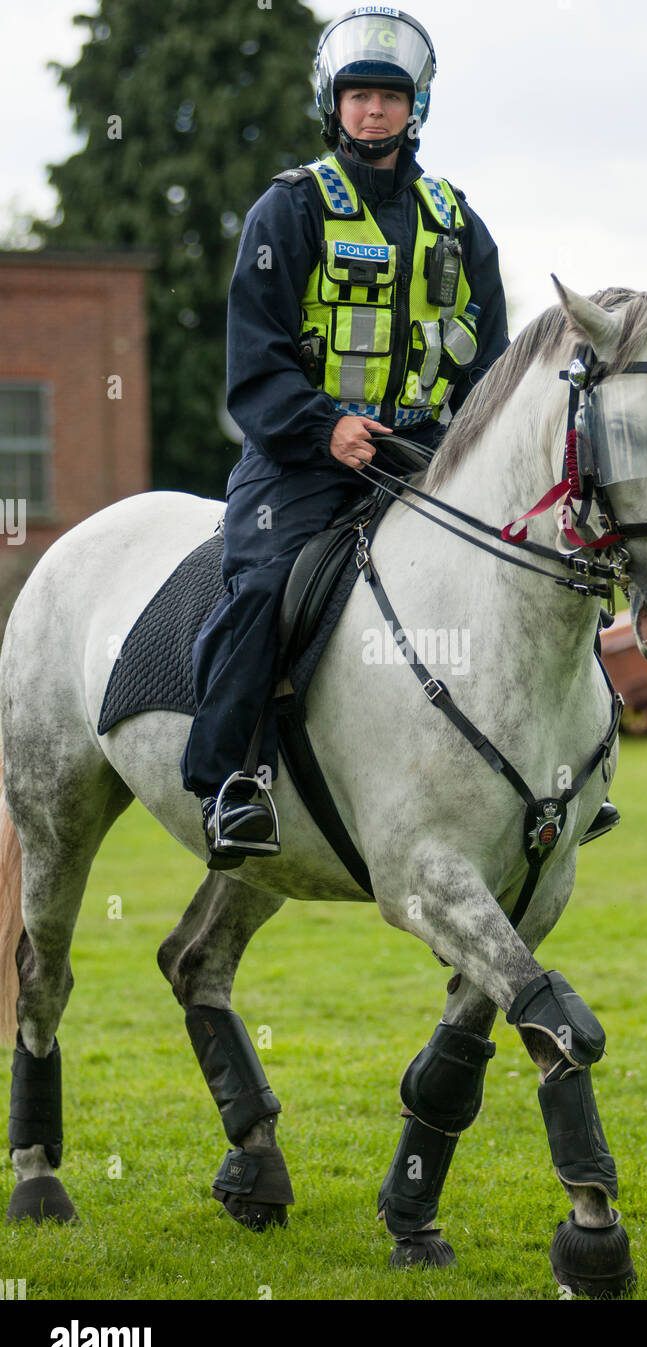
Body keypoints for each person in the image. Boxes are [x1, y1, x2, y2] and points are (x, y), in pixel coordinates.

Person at [180, 8, 511, 861]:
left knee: (526, 566)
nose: (375, 112)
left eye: (391, 98)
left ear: (416, 108)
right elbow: (254, 362)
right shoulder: (287, 213)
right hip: (303, 461)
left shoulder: (460, 223)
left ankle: (562, 769)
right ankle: (230, 784)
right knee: (264, 589)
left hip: (429, 461)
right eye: (360, 95)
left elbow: (492, 368)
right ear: (335, 104)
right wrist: (323, 428)